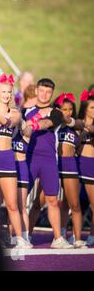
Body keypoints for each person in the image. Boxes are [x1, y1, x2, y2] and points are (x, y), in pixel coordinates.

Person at [22, 78, 73, 248]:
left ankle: (58, 238)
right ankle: (22, 236)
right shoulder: (25, 110)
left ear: (52, 94)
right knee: (20, 200)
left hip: (49, 160)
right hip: (28, 159)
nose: (44, 94)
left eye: (48, 92)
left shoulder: (56, 112)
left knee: (52, 200)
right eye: (42, 91)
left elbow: (47, 123)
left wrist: (33, 123)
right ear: (36, 91)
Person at [0, 74, 32, 248]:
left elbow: (11, 122)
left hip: (7, 160)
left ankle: (19, 238)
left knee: (12, 204)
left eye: (9, 92)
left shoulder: (14, 112)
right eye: (3, 91)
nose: (6, 95)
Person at [53, 93, 86, 248]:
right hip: (53, 165)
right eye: (64, 109)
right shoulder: (53, 125)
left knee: (74, 203)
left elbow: (79, 144)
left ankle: (78, 238)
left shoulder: (77, 127)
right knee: (42, 203)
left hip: (70, 166)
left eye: (70, 109)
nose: (67, 112)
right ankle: (59, 233)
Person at [77, 91, 94, 246]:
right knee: (77, 204)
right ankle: (74, 235)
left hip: (91, 165)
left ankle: (92, 235)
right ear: (85, 108)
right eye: (92, 107)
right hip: (77, 163)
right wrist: (84, 132)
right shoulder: (78, 123)